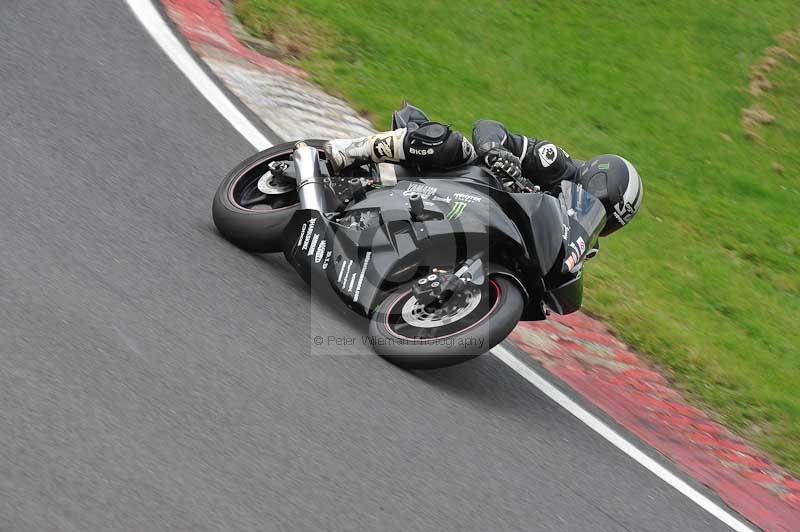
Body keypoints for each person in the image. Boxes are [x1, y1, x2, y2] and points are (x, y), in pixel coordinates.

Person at [324, 102, 642, 236]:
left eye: (606, 218)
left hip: (484, 230)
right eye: (602, 204)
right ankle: (351, 150)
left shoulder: (580, 243)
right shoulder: (556, 164)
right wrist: (495, 151)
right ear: (596, 181)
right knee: (453, 145)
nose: (597, 215)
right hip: (467, 181)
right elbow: (489, 127)